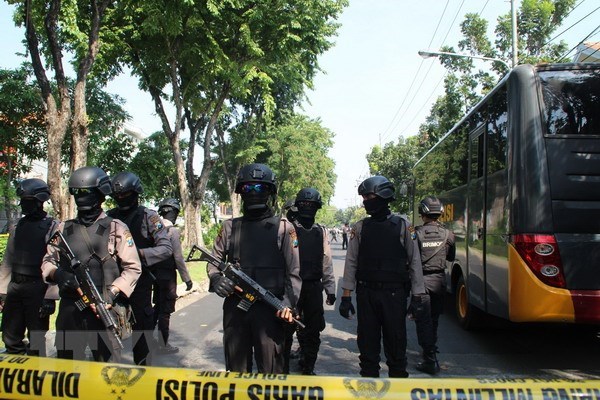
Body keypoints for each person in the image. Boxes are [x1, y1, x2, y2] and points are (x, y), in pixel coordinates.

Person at [41, 166, 141, 362]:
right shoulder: (64, 228)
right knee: (68, 369)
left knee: (107, 370)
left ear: (100, 194)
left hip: (104, 308)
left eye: (86, 192)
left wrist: (112, 292)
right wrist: (58, 275)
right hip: (71, 309)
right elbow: (48, 261)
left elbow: (133, 268)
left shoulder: (115, 228)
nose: (81, 197)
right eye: (77, 192)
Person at [209, 163, 301, 374]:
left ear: (270, 192)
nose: (253, 193)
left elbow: (294, 273)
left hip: (271, 310)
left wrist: (287, 305)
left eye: (260, 188)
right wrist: (215, 279)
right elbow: (213, 260)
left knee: (271, 372)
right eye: (248, 188)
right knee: (236, 370)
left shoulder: (284, 228)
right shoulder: (230, 227)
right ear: (240, 191)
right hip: (236, 308)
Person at [338, 175, 429, 378]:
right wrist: (345, 297)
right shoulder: (359, 227)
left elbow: (414, 262)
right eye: (364, 197)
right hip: (366, 294)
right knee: (368, 350)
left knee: (397, 349)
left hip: (394, 295)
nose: (366, 201)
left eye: (369, 196)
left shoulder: (404, 226)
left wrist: (417, 296)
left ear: (383, 195)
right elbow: (351, 262)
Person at [107, 171, 173, 365]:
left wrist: (138, 255)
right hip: (113, 284)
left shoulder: (148, 217)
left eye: (125, 195)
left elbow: (165, 248)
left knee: (142, 338)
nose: (121, 199)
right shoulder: (109, 218)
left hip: (140, 284)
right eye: (117, 196)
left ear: (135, 193)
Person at [0, 178, 60, 356]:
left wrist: (50, 296)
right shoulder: (19, 226)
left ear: (39, 201)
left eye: (27, 201)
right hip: (16, 286)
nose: (23, 205)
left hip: (38, 288)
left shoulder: (53, 227)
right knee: (10, 335)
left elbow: (56, 261)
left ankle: (36, 377)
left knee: (36, 339)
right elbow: (8, 260)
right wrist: (3, 291)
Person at [290, 187, 336, 375]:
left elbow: (326, 261)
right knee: (288, 326)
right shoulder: (288, 229)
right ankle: (285, 363)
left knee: (314, 329)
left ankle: (308, 366)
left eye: (311, 205)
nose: (308, 207)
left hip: (313, 287)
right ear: (298, 206)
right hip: (291, 287)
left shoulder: (321, 231)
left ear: (317, 207)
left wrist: (330, 288)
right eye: (304, 204)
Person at [413, 196, 456, 374]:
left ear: (422, 212)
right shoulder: (448, 234)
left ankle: (429, 359)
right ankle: (431, 348)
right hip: (440, 281)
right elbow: (451, 257)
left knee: (423, 320)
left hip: (421, 282)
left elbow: (411, 259)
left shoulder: (416, 234)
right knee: (434, 318)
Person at [153, 198, 193, 355]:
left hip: (154, 274)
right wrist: (187, 279)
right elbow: (178, 258)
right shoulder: (173, 232)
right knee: (165, 311)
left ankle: (147, 340)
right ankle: (163, 345)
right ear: (172, 212)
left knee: (156, 308)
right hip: (168, 276)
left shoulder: (154, 229)